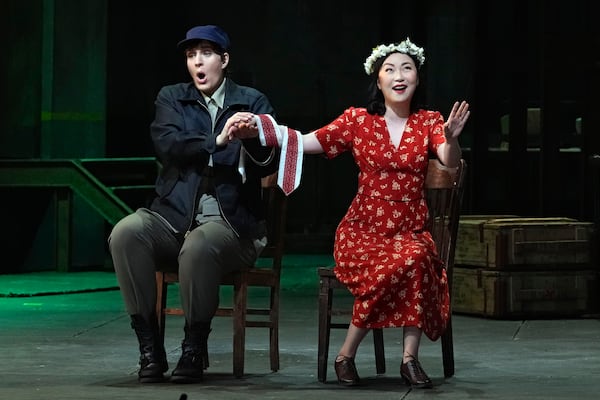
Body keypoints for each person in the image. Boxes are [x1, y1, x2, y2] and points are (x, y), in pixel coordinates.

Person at [231, 37, 470, 388]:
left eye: (407, 69)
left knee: (415, 258)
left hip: (409, 231)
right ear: (378, 80)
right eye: (390, 69)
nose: (399, 76)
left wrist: (450, 138)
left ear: (418, 78)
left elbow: (448, 161)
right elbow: (312, 141)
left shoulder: (429, 122)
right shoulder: (358, 121)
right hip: (363, 231)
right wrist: (266, 132)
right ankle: (348, 355)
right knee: (395, 263)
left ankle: (406, 358)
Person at [108, 24, 279, 384]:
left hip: (233, 224)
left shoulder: (252, 101)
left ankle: (193, 345)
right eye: (190, 55)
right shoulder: (172, 98)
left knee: (199, 247)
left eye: (205, 53)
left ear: (224, 59)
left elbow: (270, 162)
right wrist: (217, 139)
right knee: (126, 233)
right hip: (172, 217)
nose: (197, 62)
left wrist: (253, 136)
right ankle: (150, 347)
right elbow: (169, 146)